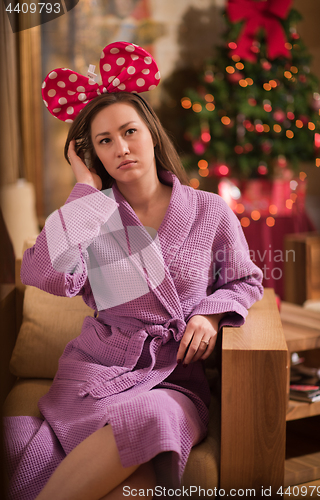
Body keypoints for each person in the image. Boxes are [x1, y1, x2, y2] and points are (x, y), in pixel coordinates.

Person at [3, 42, 263, 500]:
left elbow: (245, 279)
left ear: (151, 132)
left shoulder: (209, 211)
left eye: (129, 131)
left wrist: (212, 315)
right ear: (94, 156)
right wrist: (84, 191)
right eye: (105, 141)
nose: (120, 148)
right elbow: (47, 274)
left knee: (153, 419)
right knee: (142, 481)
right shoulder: (92, 216)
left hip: (175, 379)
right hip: (101, 370)